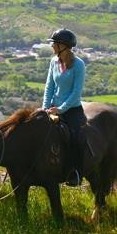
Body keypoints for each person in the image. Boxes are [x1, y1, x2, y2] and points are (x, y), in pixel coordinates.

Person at [41, 28, 86, 186]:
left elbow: (76, 93)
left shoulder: (79, 65)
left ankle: (76, 173)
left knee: (76, 139)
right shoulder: (53, 61)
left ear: (64, 46)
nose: (52, 46)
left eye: (54, 43)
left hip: (72, 109)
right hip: (52, 108)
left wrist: (60, 109)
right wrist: (45, 108)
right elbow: (49, 87)